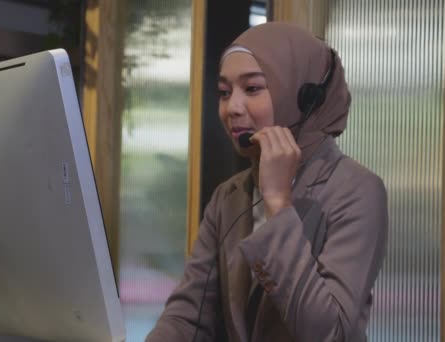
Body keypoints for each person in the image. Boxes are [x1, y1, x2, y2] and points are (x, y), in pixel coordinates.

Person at [146, 22, 388, 342]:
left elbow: (327, 333)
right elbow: (189, 314)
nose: (232, 108)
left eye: (252, 89)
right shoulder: (229, 196)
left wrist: (278, 202)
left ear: (305, 98)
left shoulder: (357, 190)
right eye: (224, 92)